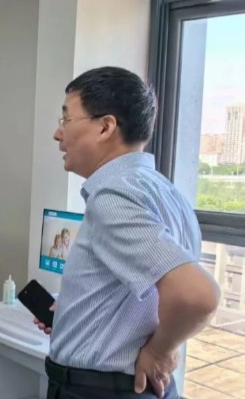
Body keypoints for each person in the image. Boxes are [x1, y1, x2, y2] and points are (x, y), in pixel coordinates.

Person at [35, 66, 220, 399]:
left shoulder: (113, 197)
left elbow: (197, 296)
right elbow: (143, 296)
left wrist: (159, 351)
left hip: (102, 390)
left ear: (105, 127)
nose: (57, 134)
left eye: (66, 119)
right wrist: (75, 313)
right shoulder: (166, 192)